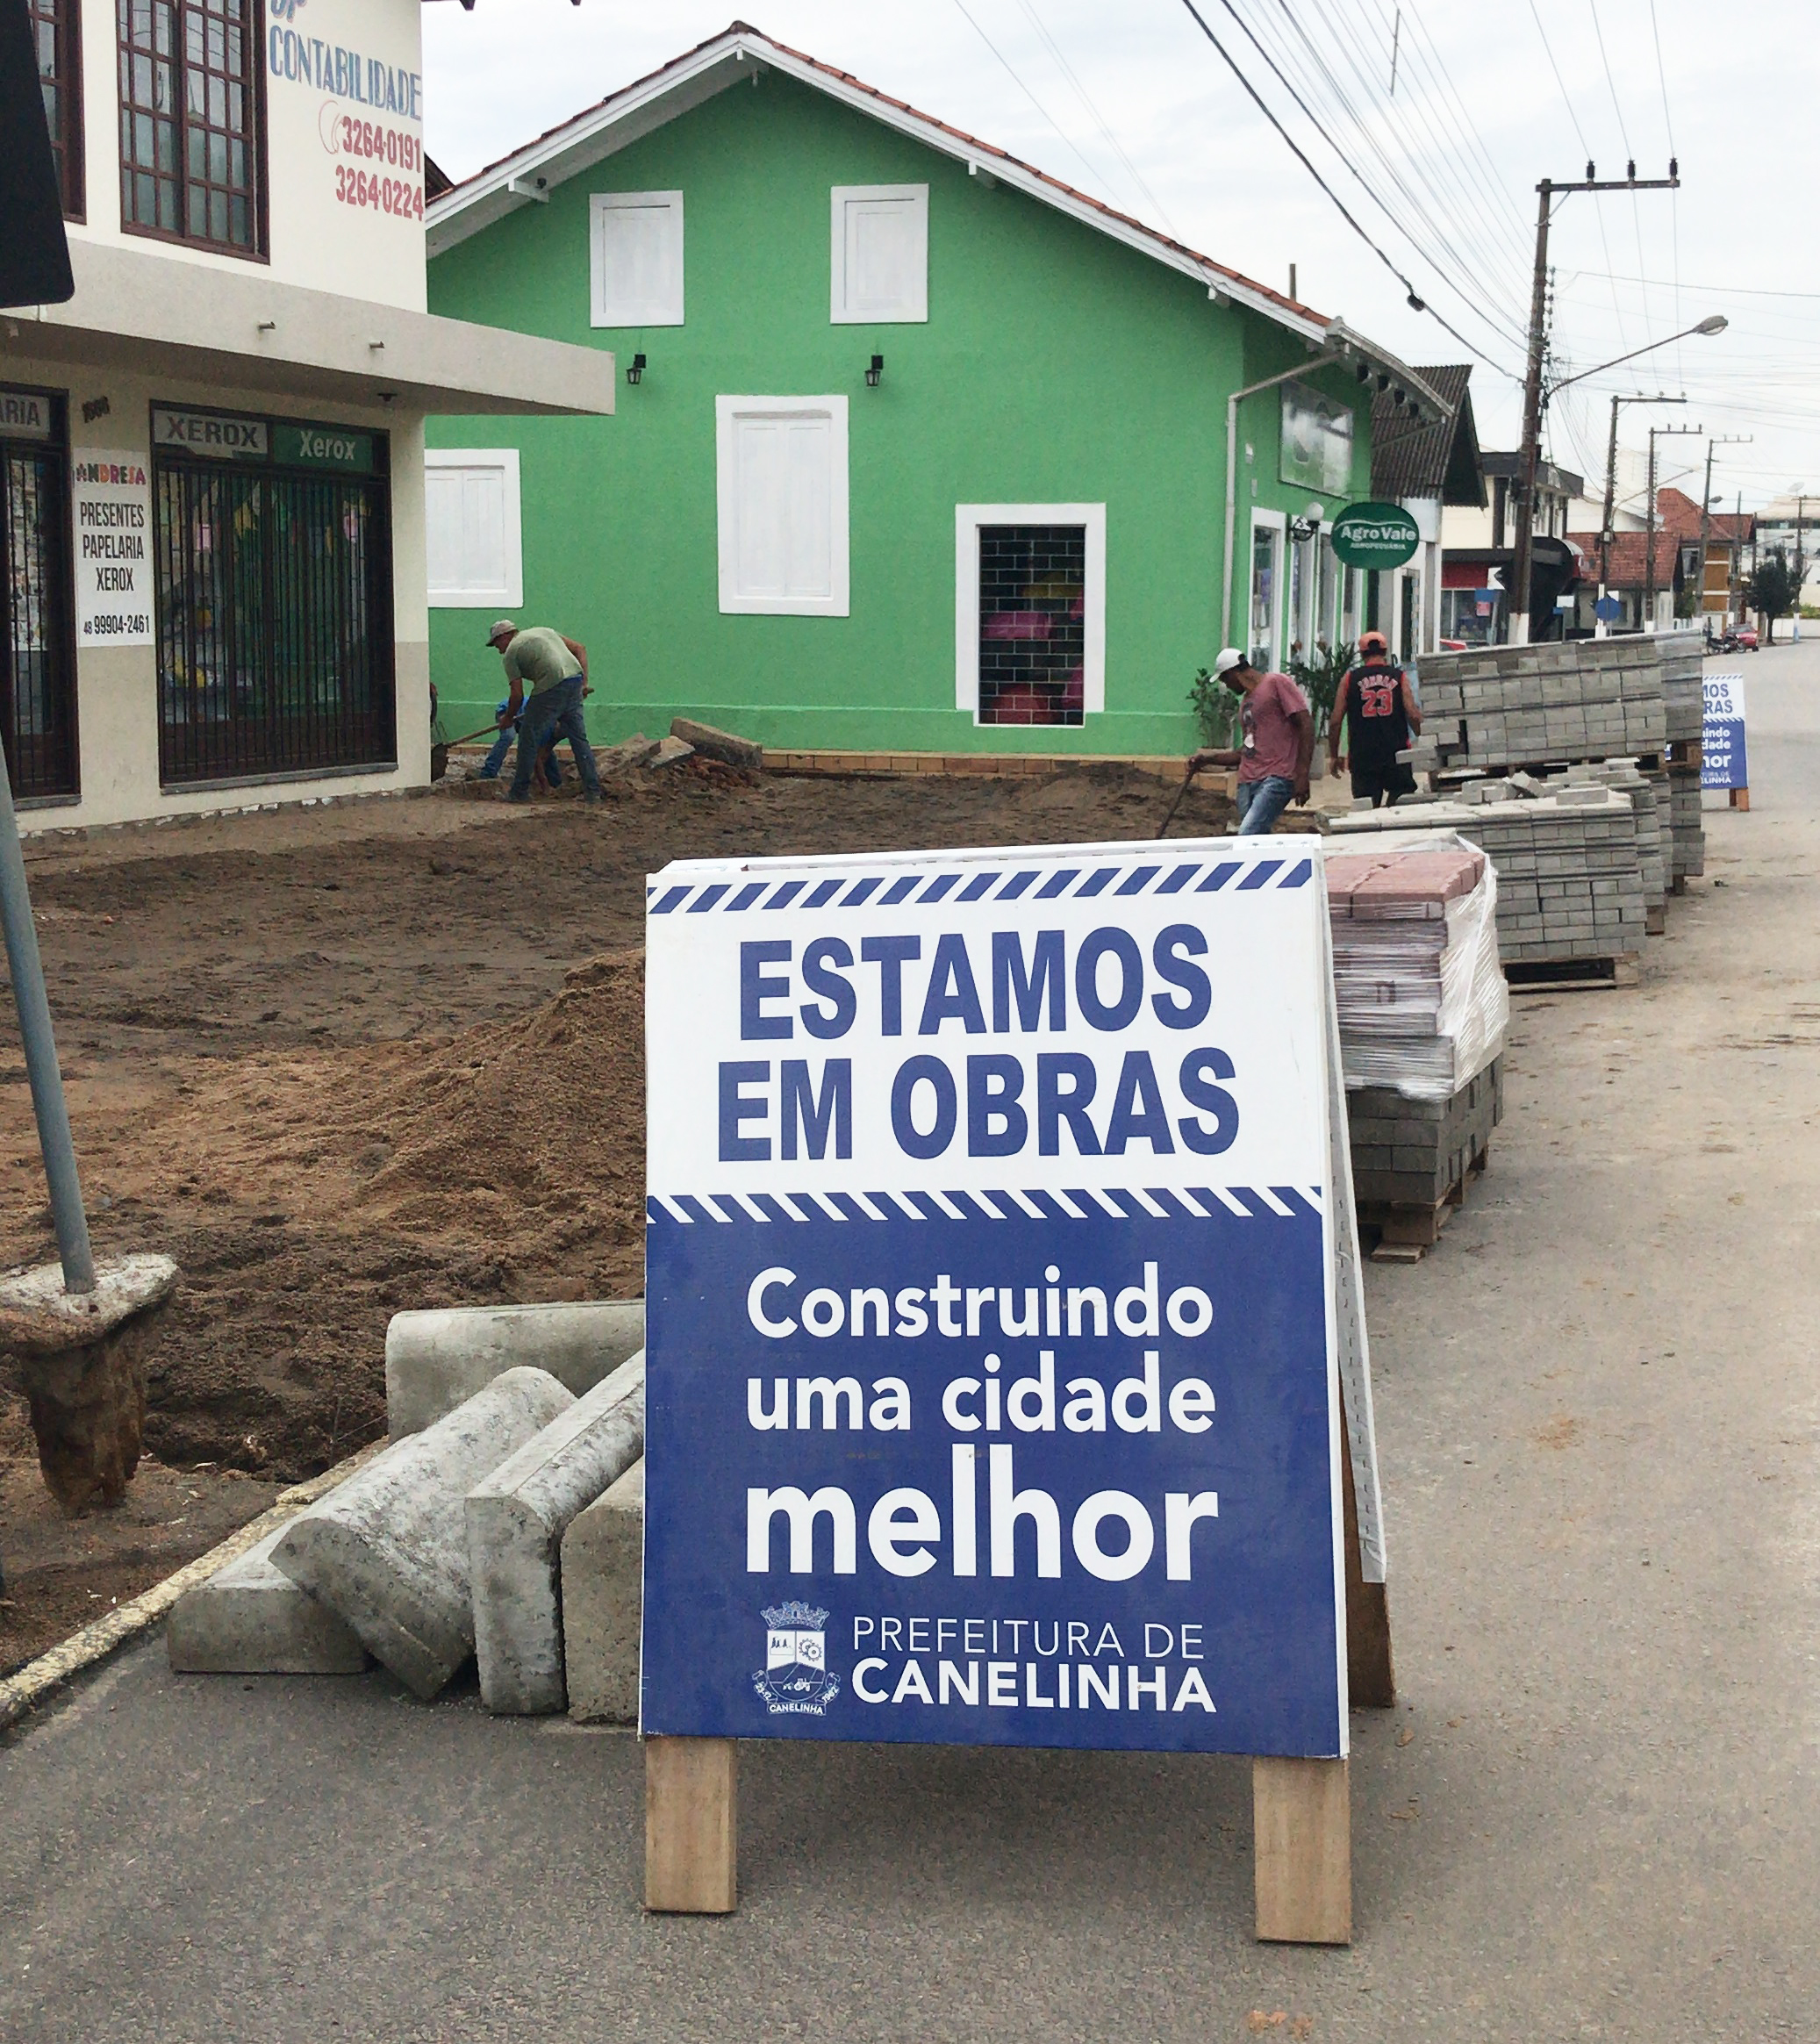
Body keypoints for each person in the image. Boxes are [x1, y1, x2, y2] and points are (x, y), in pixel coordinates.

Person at [1188, 647, 1314, 836]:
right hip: (1247, 781)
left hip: (1277, 776)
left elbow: (1305, 724)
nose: (1227, 686)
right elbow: (1247, 750)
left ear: (1233, 673)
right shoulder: (1246, 703)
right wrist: (1207, 759)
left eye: (1225, 680)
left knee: (1248, 833)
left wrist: (1303, 774)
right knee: (1257, 839)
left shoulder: (1276, 683)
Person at [484, 619, 604, 804]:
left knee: (528, 738)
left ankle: (519, 792)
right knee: (579, 739)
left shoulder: (511, 653)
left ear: (505, 636)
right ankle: (593, 793)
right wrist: (584, 683)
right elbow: (580, 648)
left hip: (551, 685)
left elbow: (517, 695)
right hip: (574, 680)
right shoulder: (545, 631)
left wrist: (508, 718)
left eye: (497, 644)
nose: (498, 650)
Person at [1329, 629, 1422, 807]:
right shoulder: (1399, 677)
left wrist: (1334, 755)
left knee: (1366, 809)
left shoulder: (1349, 679)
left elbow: (1335, 721)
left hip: (1363, 756)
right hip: (1397, 754)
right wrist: (1424, 738)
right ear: (1385, 652)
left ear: (1362, 653)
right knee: (1401, 805)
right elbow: (1412, 712)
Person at [476, 694, 564, 787]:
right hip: (509, 711)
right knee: (508, 737)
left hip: (526, 720)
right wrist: (543, 781)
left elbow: (544, 752)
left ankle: (556, 783)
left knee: (548, 753)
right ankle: (488, 773)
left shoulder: (557, 728)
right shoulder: (547, 726)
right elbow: (537, 756)